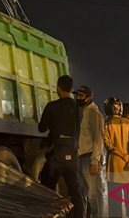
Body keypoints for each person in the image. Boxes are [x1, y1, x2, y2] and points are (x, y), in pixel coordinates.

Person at [39, 75, 86, 218]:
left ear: (58, 88)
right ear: (72, 89)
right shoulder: (78, 109)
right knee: (75, 190)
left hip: (56, 154)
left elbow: (42, 128)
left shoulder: (52, 106)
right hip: (72, 153)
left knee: (47, 188)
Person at [74, 85, 105, 217]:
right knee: (84, 193)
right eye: (77, 95)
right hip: (81, 157)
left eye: (81, 96)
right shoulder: (84, 111)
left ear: (88, 97)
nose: (78, 98)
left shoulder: (93, 113)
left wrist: (95, 160)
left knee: (94, 194)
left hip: (89, 157)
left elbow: (99, 137)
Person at [103, 97, 129, 218]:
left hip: (113, 168)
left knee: (115, 205)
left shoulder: (106, 125)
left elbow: (109, 146)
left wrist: (122, 156)